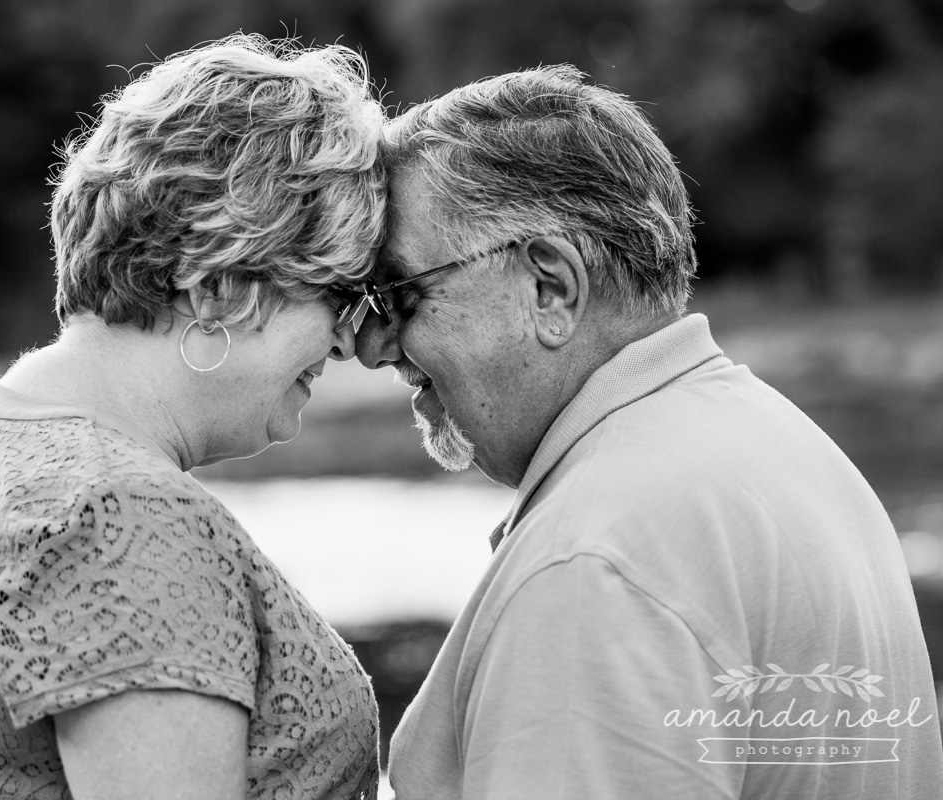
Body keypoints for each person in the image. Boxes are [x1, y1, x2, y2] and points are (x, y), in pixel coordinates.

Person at [352, 65, 943, 798]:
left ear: (551, 287)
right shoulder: (784, 452)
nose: (370, 347)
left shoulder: (594, 562)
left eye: (399, 295)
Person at [0, 35, 385, 800]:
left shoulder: (14, 428)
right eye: (342, 293)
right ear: (221, 284)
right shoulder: (119, 512)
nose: (353, 341)